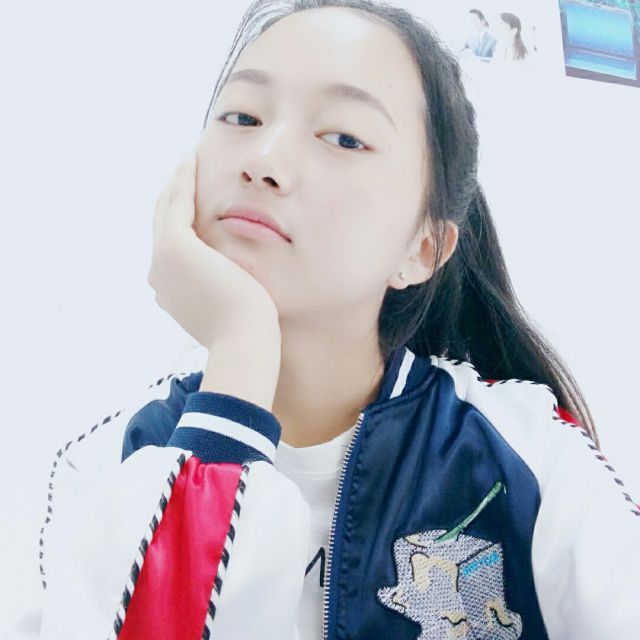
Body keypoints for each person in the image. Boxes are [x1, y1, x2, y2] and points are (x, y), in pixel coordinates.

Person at [6, 0, 639, 638]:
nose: (264, 160)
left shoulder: (531, 460)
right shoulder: (109, 463)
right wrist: (240, 352)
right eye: (243, 117)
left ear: (423, 249)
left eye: (344, 138)